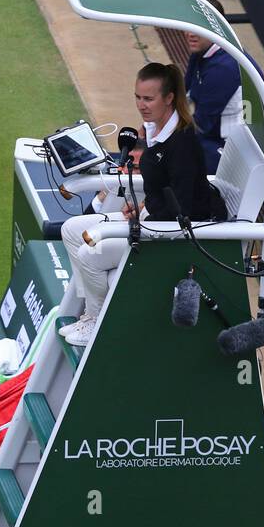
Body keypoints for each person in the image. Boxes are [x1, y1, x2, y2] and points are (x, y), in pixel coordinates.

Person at [57, 62, 219, 347]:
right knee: (71, 230)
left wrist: (144, 215)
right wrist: (143, 204)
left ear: (169, 98)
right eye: (138, 97)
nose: (141, 105)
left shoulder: (181, 145)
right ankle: (93, 313)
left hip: (169, 235)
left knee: (89, 253)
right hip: (150, 217)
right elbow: (163, 187)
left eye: (149, 98)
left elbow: (183, 206)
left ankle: (99, 321)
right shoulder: (156, 130)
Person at [184, 0, 261, 176]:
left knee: (173, 154)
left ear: (217, 28)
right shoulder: (202, 50)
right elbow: (183, 91)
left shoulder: (224, 69)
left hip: (234, 151)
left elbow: (201, 124)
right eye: (189, 25)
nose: (190, 33)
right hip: (213, 135)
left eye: (199, 27)